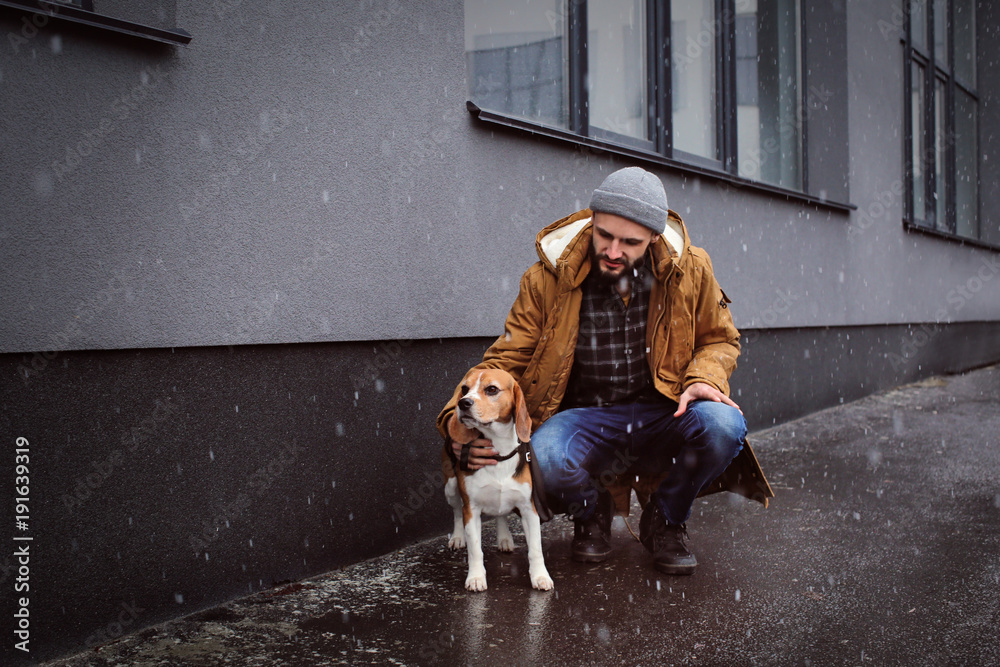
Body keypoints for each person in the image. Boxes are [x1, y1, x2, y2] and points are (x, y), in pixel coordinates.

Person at [437, 166, 771, 575]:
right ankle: (590, 510)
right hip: (584, 417)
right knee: (543, 455)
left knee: (723, 425)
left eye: (630, 242)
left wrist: (703, 378)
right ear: (592, 219)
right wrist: (456, 425)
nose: (613, 251)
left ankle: (665, 518)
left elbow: (720, 339)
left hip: (667, 410)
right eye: (604, 235)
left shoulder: (691, 269)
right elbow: (504, 361)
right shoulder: (546, 278)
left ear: (654, 237)